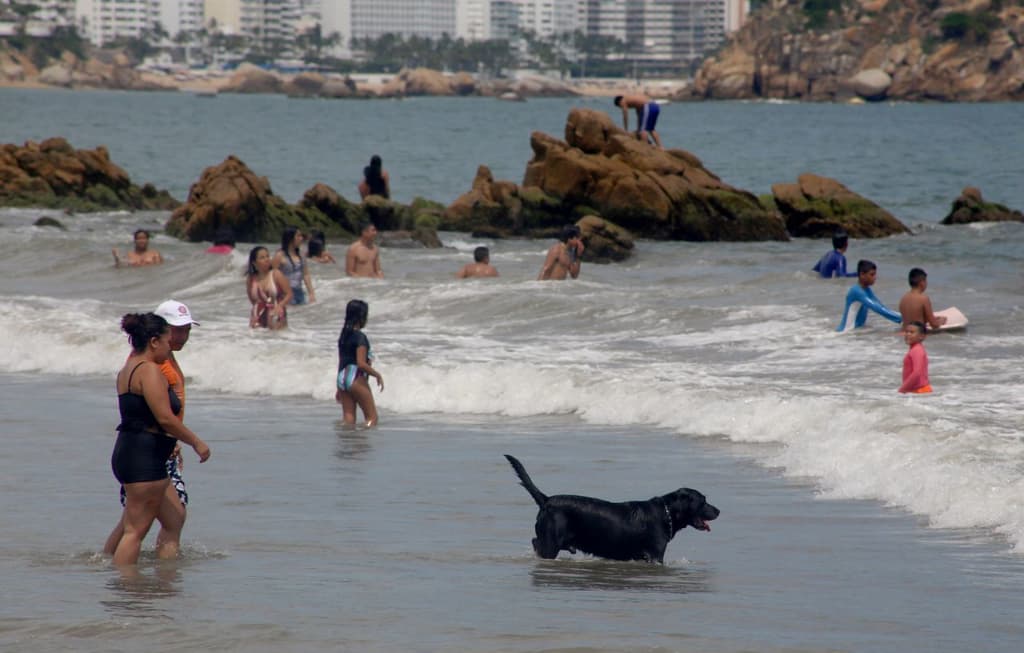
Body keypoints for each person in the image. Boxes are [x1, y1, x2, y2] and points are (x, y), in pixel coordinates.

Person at [109, 312, 210, 565]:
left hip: (132, 451)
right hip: (144, 457)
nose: (169, 346)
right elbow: (165, 418)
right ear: (154, 342)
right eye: (166, 341)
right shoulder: (150, 371)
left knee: (173, 518)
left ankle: (163, 574)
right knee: (135, 530)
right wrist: (196, 442)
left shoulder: (128, 369)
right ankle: (125, 582)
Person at [335, 299, 384, 428]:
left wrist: (338, 387)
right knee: (372, 418)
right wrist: (377, 375)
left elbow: (341, 361)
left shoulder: (343, 337)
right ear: (361, 317)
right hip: (355, 376)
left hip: (342, 377)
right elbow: (361, 363)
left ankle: (347, 439)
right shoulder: (360, 337)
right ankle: (363, 439)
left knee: (348, 419)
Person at [836, 259, 902, 331]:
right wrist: (901, 319)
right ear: (862, 275)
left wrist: (903, 316)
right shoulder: (857, 291)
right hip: (846, 332)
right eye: (872, 274)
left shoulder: (866, 289)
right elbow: (877, 308)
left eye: (875, 274)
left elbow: (880, 306)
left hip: (854, 332)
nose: (875, 277)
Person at [247, 246, 291, 329]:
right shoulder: (251, 279)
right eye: (262, 257)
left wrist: (280, 306)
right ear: (254, 263)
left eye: (267, 256)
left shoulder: (276, 274)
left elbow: (289, 294)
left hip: (276, 313)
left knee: (278, 336)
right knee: (254, 337)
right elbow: (252, 300)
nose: (267, 259)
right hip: (257, 315)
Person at [273, 226, 315, 305]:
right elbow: (272, 277)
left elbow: (306, 275)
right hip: (284, 294)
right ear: (290, 238)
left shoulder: (301, 255)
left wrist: (311, 293)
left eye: (301, 236)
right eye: (298, 236)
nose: (301, 238)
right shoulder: (279, 255)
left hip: (299, 292)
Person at [898, 321, 932, 394]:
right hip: (918, 391)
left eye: (912, 332)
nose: (908, 334)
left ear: (922, 336)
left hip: (920, 390)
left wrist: (902, 389)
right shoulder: (915, 349)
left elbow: (917, 373)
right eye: (906, 332)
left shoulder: (917, 350)